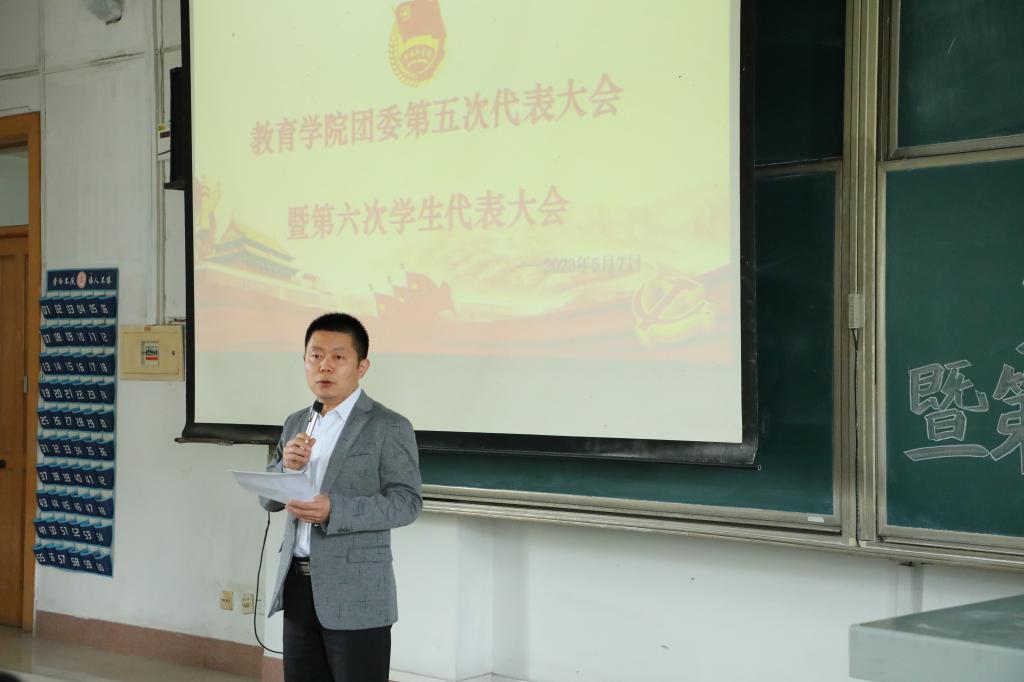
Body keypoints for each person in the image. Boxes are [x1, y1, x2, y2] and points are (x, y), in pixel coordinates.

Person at [261, 312, 422, 682]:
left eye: (338, 356)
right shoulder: (296, 422)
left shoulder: (388, 426)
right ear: (305, 361)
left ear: (362, 366)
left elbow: (407, 502)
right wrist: (285, 468)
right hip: (298, 585)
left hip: (357, 592)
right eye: (316, 356)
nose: (325, 366)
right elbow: (268, 500)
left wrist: (335, 510)